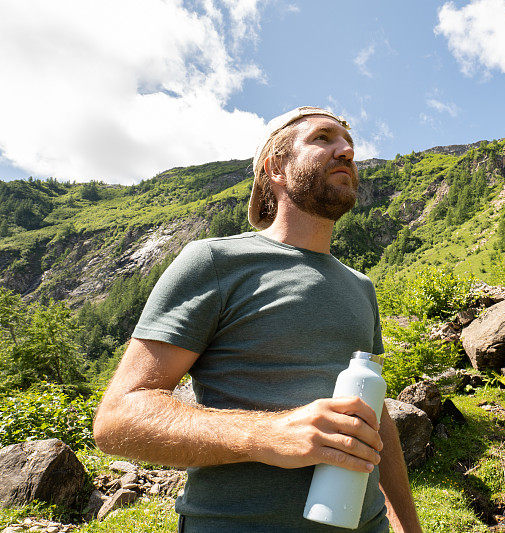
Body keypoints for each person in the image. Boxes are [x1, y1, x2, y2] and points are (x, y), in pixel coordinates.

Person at [93, 106, 422, 532]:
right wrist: (269, 435)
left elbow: (374, 417)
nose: (346, 152)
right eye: (323, 138)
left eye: (350, 144)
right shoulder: (214, 262)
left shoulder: (361, 286)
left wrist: (407, 526)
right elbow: (118, 419)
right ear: (276, 168)